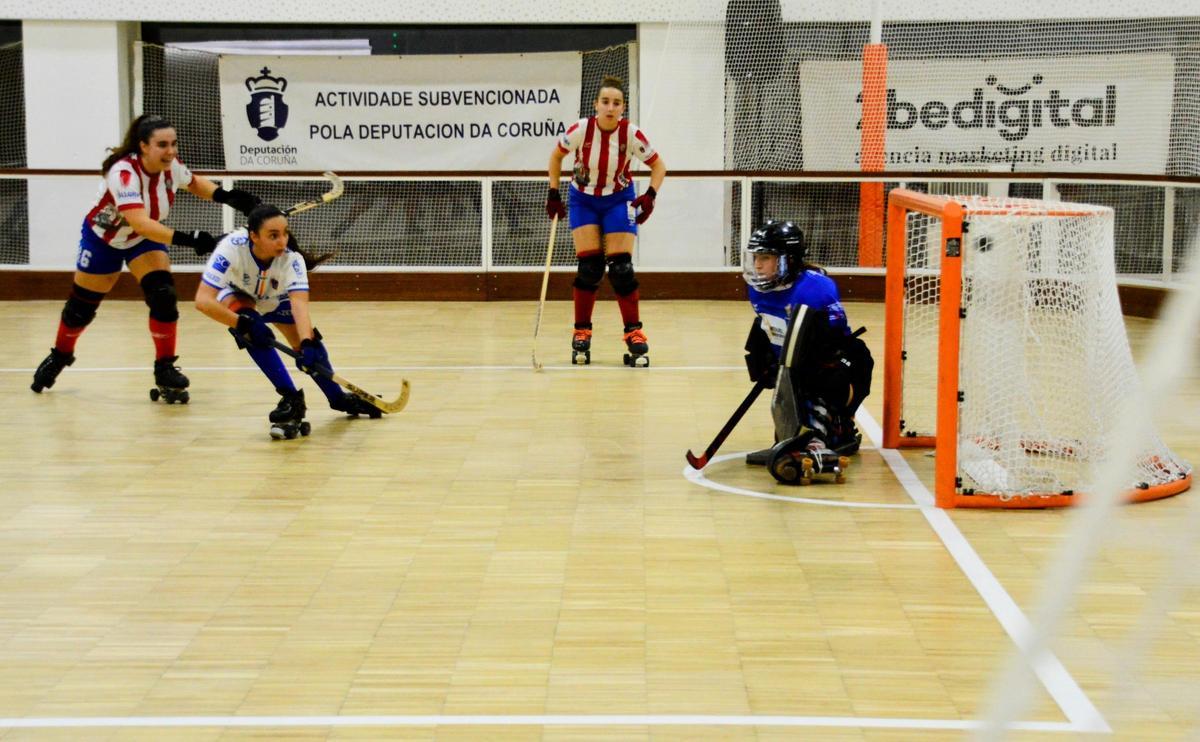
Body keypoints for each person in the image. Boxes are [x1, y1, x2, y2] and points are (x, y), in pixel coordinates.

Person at [30, 114, 261, 400]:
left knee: (163, 296)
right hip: (105, 239)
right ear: (143, 146)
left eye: (174, 144)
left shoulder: (169, 165)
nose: (171, 151)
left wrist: (229, 196)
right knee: (80, 309)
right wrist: (191, 239)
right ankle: (61, 355)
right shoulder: (123, 173)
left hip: (142, 241)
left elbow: (193, 182)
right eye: (162, 145)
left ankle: (165, 368)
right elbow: (139, 222)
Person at [194, 204, 382, 439]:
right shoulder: (230, 248)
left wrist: (307, 343)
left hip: (275, 297)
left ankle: (338, 398)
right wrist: (243, 324)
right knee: (251, 331)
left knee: (309, 345)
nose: (282, 241)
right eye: (273, 235)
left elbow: (299, 304)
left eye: (284, 233)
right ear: (254, 236)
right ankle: (292, 398)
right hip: (237, 292)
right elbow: (203, 301)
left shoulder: (292, 260)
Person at [546, 74, 666, 367]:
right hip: (583, 198)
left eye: (616, 103)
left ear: (623, 107)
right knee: (590, 267)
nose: (610, 108)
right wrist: (553, 192)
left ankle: (634, 332)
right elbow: (556, 156)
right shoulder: (580, 130)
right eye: (605, 102)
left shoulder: (631, 134)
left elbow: (659, 165)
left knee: (622, 268)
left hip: (618, 198)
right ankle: (582, 331)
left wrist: (650, 194)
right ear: (595, 105)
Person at [741, 220, 874, 484]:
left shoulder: (816, 289)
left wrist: (795, 368)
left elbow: (832, 339)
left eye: (765, 258)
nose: (757, 265)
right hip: (793, 361)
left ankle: (822, 436)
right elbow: (767, 327)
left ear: (787, 260)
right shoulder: (757, 291)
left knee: (818, 376)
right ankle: (798, 437)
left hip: (842, 361)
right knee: (772, 372)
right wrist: (765, 358)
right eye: (755, 257)